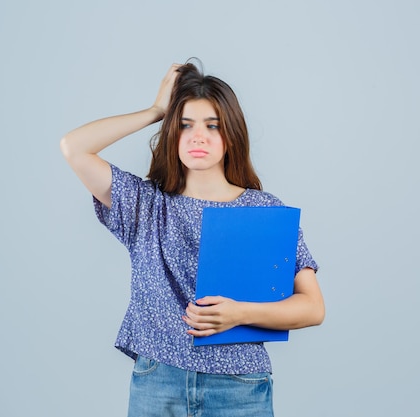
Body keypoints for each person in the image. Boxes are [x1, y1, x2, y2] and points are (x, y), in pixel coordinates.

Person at [60, 61, 325, 417]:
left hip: (239, 384)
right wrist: (155, 110)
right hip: (158, 380)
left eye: (212, 126)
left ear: (230, 135)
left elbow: (313, 307)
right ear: (172, 133)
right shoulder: (145, 204)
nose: (198, 136)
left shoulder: (262, 210)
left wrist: (240, 313)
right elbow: (74, 147)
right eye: (185, 125)